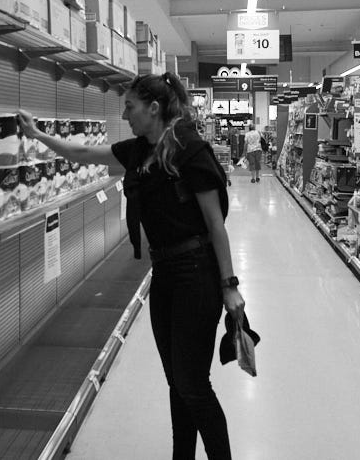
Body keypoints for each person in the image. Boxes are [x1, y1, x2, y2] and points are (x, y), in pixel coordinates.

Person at [17, 72, 245, 460]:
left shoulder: (191, 150)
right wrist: (38, 136)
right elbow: (85, 155)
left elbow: (215, 226)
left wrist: (230, 285)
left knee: (193, 384)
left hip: (198, 274)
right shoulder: (140, 151)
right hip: (166, 276)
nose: (125, 115)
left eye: (130, 107)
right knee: (177, 381)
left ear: (153, 109)